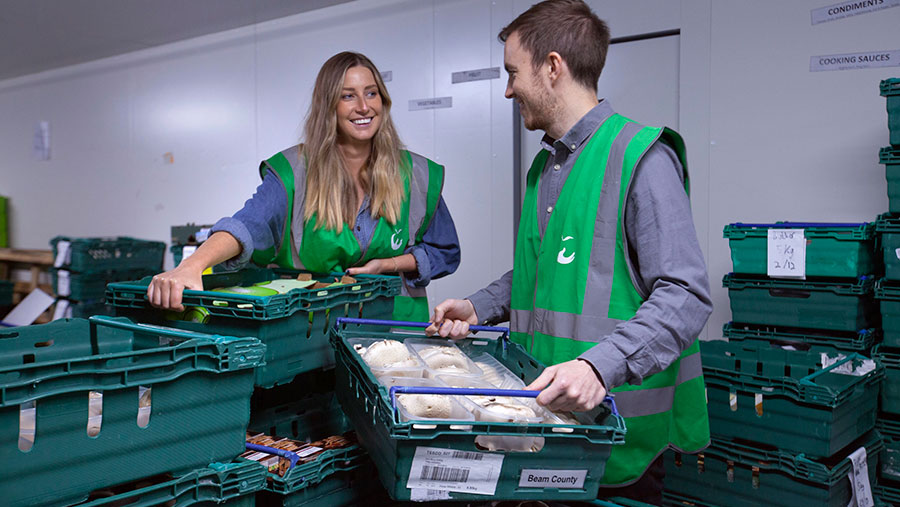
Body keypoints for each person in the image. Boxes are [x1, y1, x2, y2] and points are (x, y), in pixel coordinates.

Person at [426, 0, 711, 503]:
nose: (508, 88)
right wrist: (479, 306)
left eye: (513, 72)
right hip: (553, 428)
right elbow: (549, 270)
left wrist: (600, 366)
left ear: (552, 67)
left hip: (619, 436)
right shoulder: (547, 168)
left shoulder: (642, 156)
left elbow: (686, 295)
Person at [147, 51, 460, 322]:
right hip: (312, 337)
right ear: (329, 106)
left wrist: (390, 264)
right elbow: (246, 225)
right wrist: (192, 266)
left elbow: (445, 251)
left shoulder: (417, 173)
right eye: (348, 95)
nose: (364, 106)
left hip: (393, 334)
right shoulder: (295, 171)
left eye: (372, 93)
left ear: (384, 100)